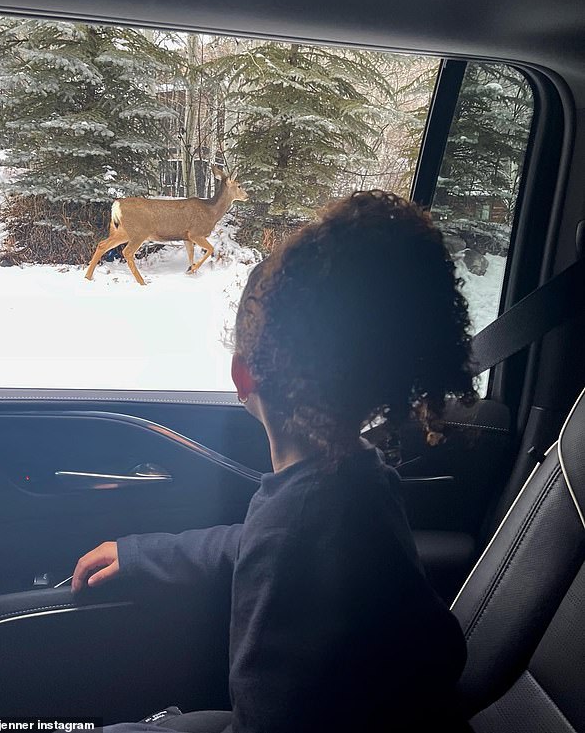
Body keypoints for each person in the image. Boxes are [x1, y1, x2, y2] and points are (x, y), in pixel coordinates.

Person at [72, 190, 476, 733]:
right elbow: (255, 539)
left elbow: (268, 719)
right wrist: (147, 554)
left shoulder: (297, 528)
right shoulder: (359, 479)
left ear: (243, 377)